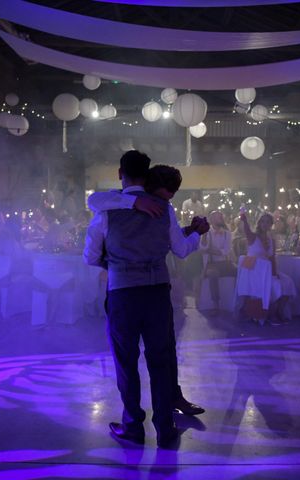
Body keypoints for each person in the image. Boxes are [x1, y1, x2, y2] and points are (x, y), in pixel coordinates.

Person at [84, 152, 208, 447]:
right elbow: (180, 249)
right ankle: (165, 429)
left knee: (126, 362)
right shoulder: (165, 209)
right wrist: (198, 234)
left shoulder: (106, 210)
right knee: (161, 361)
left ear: (119, 173)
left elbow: (89, 257)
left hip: (122, 295)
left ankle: (133, 427)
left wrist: (116, 267)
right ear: (147, 174)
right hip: (156, 294)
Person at [239, 212, 296, 324]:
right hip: (254, 272)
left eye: (268, 222)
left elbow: (272, 258)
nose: (265, 224)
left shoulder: (271, 240)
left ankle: (279, 310)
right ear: (259, 223)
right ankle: (271, 314)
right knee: (276, 285)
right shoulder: (253, 237)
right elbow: (247, 230)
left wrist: (275, 274)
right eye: (263, 221)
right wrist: (245, 221)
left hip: (267, 272)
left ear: (271, 224)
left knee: (288, 282)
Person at [200, 211, 235, 313]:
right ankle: (216, 304)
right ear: (211, 220)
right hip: (211, 264)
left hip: (225, 263)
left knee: (239, 271)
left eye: (221, 217)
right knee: (213, 274)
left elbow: (227, 250)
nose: (220, 218)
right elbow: (203, 248)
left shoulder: (227, 234)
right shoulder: (207, 232)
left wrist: (214, 251)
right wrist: (204, 235)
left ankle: (239, 300)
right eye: (217, 217)